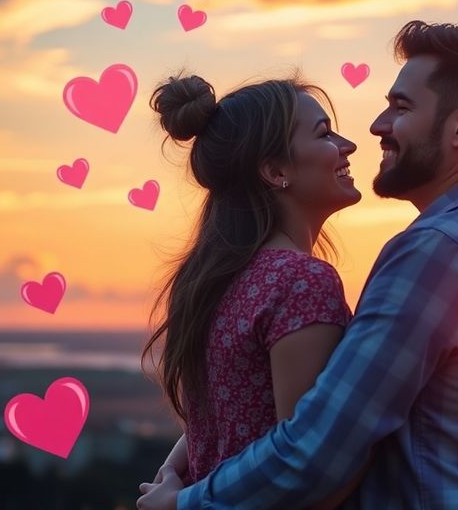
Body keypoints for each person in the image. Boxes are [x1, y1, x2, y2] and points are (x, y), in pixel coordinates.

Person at [138, 20, 458, 510]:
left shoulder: (440, 250)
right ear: (274, 172)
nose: (374, 128)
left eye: (400, 107)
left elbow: (317, 456)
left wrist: (183, 500)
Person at [140, 70, 363, 510]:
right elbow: (305, 465)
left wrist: (172, 474)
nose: (347, 145)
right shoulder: (301, 282)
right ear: (275, 170)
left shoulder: (215, 278)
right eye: (324, 134)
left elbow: (228, 410)